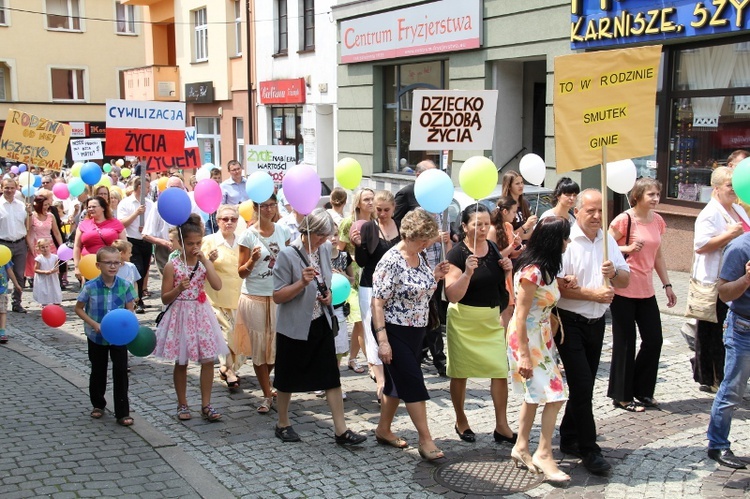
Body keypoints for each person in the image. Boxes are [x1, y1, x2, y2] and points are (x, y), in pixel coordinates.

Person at [272, 208, 366, 445]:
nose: (325, 240)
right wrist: (301, 283)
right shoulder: (287, 255)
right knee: (287, 376)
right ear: (307, 231)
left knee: (331, 376)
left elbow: (326, 280)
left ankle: (341, 430)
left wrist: (329, 295)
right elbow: (278, 296)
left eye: (327, 236)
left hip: (320, 321)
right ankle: (283, 423)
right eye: (320, 235)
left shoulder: (324, 249)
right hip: (294, 325)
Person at [555, 189, 630, 475]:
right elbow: (558, 285)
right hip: (569, 322)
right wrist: (592, 295)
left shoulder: (607, 239)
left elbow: (625, 279)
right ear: (577, 211)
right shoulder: (568, 240)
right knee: (583, 385)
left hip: (596, 323)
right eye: (591, 211)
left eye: (601, 211)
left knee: (583, 385)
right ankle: (590, 448)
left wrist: (613, 274)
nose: (597, 216)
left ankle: (569, 436)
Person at [371, 208, 450, 460]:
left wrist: (435, 276)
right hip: (393, 329)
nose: (427, 243)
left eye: (428, 239)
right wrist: (382, 341)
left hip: (417, 329)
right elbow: (377, 303)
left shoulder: (421, 254)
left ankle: (383, 429)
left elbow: (420, 290)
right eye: (422, 239)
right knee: (414, 382)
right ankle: (426, 440)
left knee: (398, 383)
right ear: (409, 236)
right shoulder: (391, 261)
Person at [444, 204, 516, 445]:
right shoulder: (456, 254)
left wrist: (507, 270)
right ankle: (461, 419)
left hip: (490, 319)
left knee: (499, 371)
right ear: (465, 226)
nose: (484, 228)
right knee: (460, 373)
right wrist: (466, 273)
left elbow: (499, 285)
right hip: (464, 320)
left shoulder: (493, 247)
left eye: (487, 223)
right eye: (478, 224)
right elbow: (452, 295)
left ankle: (501, 424)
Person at [508, 217, 572, 484]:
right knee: (556, 394)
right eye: (564, 237)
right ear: (553, 241)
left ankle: (521, 446)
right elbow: (520, 315)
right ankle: (543, 453)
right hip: (527, 340)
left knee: (535, 395)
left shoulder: (544, 270)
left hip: (542, 338)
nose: (567, 242)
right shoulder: (531, 272)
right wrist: (523, 354)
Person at [608, 178, 677, 412]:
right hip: (624, 288)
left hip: (646, 290)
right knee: (625, 343)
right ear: (637, 196)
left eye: (658, 194)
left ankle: (643, 390)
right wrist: (625, 248)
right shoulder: (624, 219)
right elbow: (604, 247)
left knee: (653, 340)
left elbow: (657, 255)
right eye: (651, 195)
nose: (656, 198)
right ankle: (622, 396)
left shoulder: (657, 221)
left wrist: (667, 284)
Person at [154, 215, 228, 422]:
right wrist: (179, 288)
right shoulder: (173, 265)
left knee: (207, 359)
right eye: (189, 243)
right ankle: (182, 403)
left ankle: (206, 403)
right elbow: (164, 297)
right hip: (181, 313)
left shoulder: (203, 262)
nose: (194, 247)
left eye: (198, 243)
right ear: (181, 243)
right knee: (182, 360)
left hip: (201, 312)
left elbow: (217, 285)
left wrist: (206, 261)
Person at [691, 167, 750, 393]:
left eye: (735, 185)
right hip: (716, 279)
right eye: (729, 186)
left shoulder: (737, 208)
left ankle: (722, 375)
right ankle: (715, 378)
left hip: (735, 277)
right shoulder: (709, 213)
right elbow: (701, 246)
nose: (733, 190)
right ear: (716, 188)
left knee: (721, 330)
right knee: (714, 332)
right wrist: (729, 235)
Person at [236, 195, 289, 410]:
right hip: (254, 296)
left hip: (277, 295)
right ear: (256, 208)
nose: (269, 209)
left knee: (275, 346)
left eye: (272, 205)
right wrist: (252, 260)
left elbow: (287, 261)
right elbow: (240, 272)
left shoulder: (282, 230)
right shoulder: (247, 236)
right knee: (260, 346)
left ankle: (267, 384)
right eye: (264, 206)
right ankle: (267, 394)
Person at [74, 246, 136, 427]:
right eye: (108, 263)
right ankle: (98, 404)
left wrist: (129, 326)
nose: (112, 266)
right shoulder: (90, 286)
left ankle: (122, 412)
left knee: (120, 372)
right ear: (98, 265)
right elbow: (78, 308)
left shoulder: (125, 285)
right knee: (98, 370)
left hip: (118, 337)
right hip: (97, 336)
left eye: (116, 262)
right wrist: (94, 324)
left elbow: (130, 310)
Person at [353, 190, 401, 402]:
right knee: (372, 330)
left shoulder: (400, 226)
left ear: (394, 209)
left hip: (396, 288)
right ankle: (380, 379)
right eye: (378, 210)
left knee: (391, 330)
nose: (382, 214)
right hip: (370, 287)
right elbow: (363, 262)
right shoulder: (369, 227)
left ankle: (391, 372)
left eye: (386, 210)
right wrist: (359, 245)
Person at [708, 231, 750, 469]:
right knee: (732, 391)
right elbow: (723, 293)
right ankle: (718, 444)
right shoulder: (740, 247)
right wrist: (746, 279)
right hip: (743, 329)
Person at [202, 205, 244, 391]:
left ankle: (229, 367)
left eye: (233, 219)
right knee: (226, 334)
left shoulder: (243, 242)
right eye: (225, 219)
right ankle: (229, 370)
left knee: (239, 337)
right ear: (217, 221)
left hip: (239, 296)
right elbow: (197, 271)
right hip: (216, 297)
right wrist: (208, 261)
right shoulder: (209, 241)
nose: (229, 222)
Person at [339, 188, 376, 374]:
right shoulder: (349, 223)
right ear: (359, 203)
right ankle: (371, 361)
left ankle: (353, 358)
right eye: (366, 199)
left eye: (372, 198)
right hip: (352, 278)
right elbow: (340, 250)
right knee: (361, 319)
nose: (370, 202)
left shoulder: (376, 223)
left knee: (363, 321)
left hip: (371, 276)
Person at [118, 177, 154, 314]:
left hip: (146, 240)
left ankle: (139, 297)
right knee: (137, 269)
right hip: (132, 240)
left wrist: (146, 228)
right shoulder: (126, 203)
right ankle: (136, 300)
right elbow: (122, 224)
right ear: (139, 187)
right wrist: (136, 214)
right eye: (147, 187)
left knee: (144, 271)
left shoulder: (150, 203)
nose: (149, 190)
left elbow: (153, 222)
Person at [73, 196, 126, 282]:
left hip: (111, 265)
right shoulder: (83, 224)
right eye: (89, 207)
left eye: (94, 206)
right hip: (89, 266)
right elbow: (77, 246)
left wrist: (122, 260)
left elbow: (124, 245)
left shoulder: (116, 223)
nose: (90, 209)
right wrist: (76, 267)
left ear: (103, 208)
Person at [489, 196, 522, 330]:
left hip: (508, 271)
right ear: (505, 212)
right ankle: (502, 342)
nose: (515, 216)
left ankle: (506, 342)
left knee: (509, 309)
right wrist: (513, 246)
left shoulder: (508, 226)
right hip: (498, 272)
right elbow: (494, 256)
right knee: (504, 310)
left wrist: (519, 250)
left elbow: (510, 253)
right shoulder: (492, 230)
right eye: (513, 212)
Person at [25, 194, 63, 286]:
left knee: (52, 270)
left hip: (50, 245)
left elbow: (56, 232)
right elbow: (27, 231)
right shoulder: (32, 216)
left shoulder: (51, 216)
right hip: (37, 246)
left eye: (47, 204)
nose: (46, 207)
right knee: (39, 271)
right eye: (44, 205)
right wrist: (31, 248)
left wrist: (61, 246)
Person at [393, 159, 436, 225]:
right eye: (430, 174)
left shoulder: (435, 192)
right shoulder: (405, 193)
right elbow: (395, 221)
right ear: (418, 175)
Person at [502, 170, 538, 242]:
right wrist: (526, 226)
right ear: (509, 186)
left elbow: (530, 231)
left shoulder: (526, 203)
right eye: (517, 183)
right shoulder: (504, 206)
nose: (521, 186)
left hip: (527, 247)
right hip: (513, 249)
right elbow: (507, 236)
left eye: (522, 183)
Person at [33, 238, 62, 306]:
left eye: (47, 247)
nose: (45, 249)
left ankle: (56, 300)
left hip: (52, 277)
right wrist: (45, 272)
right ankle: (44, 302)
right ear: (39, 248)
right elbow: (36, 269)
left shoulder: (54, 257)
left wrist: (53, 271)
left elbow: (57, 267)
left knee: (54, 288)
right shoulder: (39, 259)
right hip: (43, 278)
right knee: (44, 289)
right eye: (42, 247)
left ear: (50, 247)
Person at [0, 257, 21, 343]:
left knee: (3, 311)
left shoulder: (3, 254)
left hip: (2, 290)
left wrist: (16, 284)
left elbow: (9, 271)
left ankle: (2, 333)